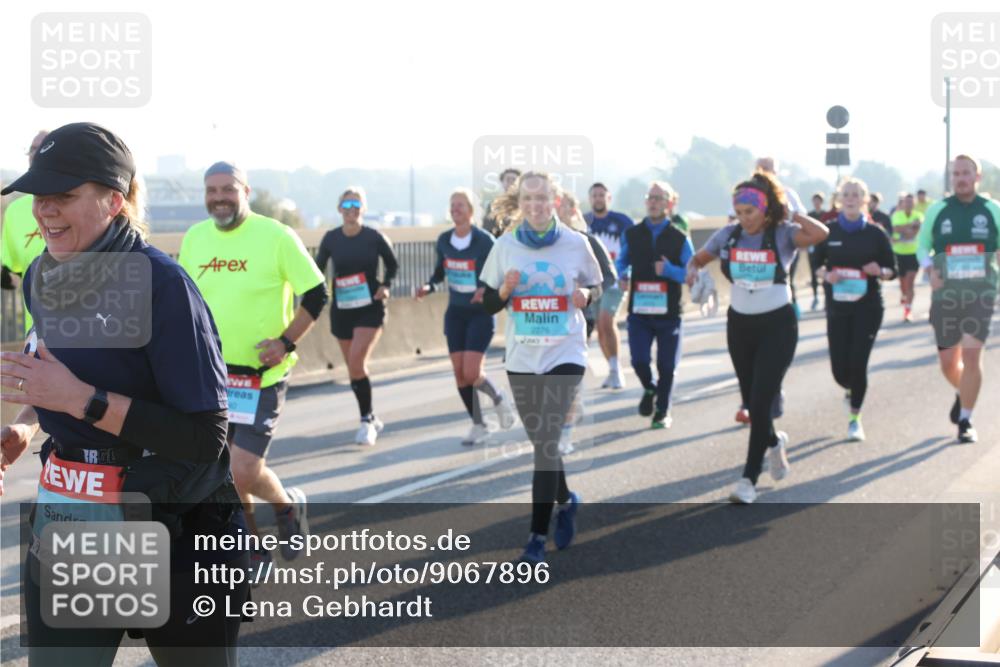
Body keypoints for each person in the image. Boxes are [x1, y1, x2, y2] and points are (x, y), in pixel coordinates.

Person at [0, 122, 250, 665]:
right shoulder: (43, 276)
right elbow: (56, 378)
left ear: (114, 201)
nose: (45, 211)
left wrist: (80, 401)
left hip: (177, 528)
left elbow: (206, 437)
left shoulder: (163, 286)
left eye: (63, 196)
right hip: (72, 523)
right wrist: (24, 425)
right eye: (40, 197)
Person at [179, 161, 326, 573]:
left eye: (228, 189)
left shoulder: (276, 235)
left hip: (262, 376)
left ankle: (286, 507)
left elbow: (316, 293)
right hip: (213, 373)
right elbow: (186, 302)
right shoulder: (194, 238)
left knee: (241, 469)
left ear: (245, 190)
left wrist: (285, 342)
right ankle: (252, 548)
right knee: (227, 469)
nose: (219, 198)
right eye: (211, 190)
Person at [480, 171, 602, 562]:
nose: (534, 206)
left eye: (541, 198)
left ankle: (535, 537)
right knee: (544, 446)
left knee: (546, 444)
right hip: (522, 356)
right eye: (527, 199)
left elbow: (598, 285)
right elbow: (487, 304)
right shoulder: (505, 246)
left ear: (555, 201)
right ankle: (567, 500)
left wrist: (586, 294)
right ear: (519, 203)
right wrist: (504, 292)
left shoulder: (575, 243)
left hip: (565, 352)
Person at [687, 170, 828, 503]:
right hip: (740, 326)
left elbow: (821, 233)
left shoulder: (784, 234)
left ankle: (748, 480)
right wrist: (693, 273)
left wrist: (791, 213)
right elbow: (697, 259)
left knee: (761, 400)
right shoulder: (728, 235)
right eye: (739, 211)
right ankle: (774, 443)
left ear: (765, 209)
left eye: (750, 211)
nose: (744, 218)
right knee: (752, 400)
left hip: (778, 325)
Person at [415, 188, 515, 446]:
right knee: (459, 374)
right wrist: (428, 286)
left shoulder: (484, 241)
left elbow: (502, 274)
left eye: (460, 205)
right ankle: (479, 425)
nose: (455, 209)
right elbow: (440, 272)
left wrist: (487, 289)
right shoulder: (444, 240)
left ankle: (498, 397)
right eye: (452, 205)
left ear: (471, 211)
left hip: (480, 314)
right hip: (456, 312)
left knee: (472, 372)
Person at [917, 155, 1000, 443]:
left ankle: (965, 419)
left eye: (967, 173)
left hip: (981, 294)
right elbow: (922, 247)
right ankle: (962, 390)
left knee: (972, 355)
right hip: (946, 296)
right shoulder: (938, 210)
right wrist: (929, 270)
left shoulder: (992, 210)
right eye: (956, 174)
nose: (961, 178)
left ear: (977, 177)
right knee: (948, 361)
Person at [812, 178, 897, 441]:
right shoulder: (828, 231)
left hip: (868, 307)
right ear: (839, 198)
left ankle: (854, 418)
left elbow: (892, 269)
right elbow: (816, 264)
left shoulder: (875, 233)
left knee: (858, 363)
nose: (850, 198)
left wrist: (879, 271)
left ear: (865, 199)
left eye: (856, 194)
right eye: (846, 194)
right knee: (840, 370)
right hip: (838, 307)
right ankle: (850, 389)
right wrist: (826, 274)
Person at [315, 187, 399, 445]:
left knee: (356, 362)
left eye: (357, 204)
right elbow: (317, 269)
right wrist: (318, 294)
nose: (351, 209)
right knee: (353, 369)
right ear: (339, 209)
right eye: (347, 204)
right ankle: (370, 416)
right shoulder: (331, 239)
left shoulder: (374, 237)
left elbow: (393, 265)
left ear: (363, 209)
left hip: (370, 307)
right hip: (343, 310)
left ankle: (365, 422)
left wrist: (386, 285)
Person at [616, 181, 693, 429]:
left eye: (660, 198)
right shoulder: (632, 234)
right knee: (638, 361)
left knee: (667, 366)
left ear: (670, 204)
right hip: (639, 311)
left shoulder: (680, 238)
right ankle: (650, 388)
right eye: (650, 197)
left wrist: (669, 270)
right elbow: (621, 262)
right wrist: (623, 275)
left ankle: (662, 411)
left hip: (669, 312)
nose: (654, 202)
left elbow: (691, 274)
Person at [555, 188, 617, 453]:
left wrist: (587, 291)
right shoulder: (537, 243)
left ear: (572, 210)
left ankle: (565, 436)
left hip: (581, 316)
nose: (556, 209)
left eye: (563, 205)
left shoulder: (585, 241)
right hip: (547, 319)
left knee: (567, 376)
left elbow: (608, 277)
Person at [583, 182, 635, 389]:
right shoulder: (584, 222)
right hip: (592, 283)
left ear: (609, 198)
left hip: (616, 280)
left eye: (602, 195)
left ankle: (615, 370)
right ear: (590, 198)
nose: (598, 199)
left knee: (606, 321)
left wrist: (628, 274)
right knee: (599, 328)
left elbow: (633, 248)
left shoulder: (622, 222)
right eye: (594, 195)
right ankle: (612, 368)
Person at [1, 130, 50, 333]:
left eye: (44, 148)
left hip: (88, 335)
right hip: (36, 336)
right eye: (32, 149)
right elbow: (11, 273)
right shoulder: (15, 211)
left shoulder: (83, 204)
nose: (35, 154)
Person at [756, 157, 806, 319]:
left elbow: (801, 218)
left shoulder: (788, 194)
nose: (764, 172)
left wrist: (787, 214)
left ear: (775, 172)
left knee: (783, 278)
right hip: (756, 245)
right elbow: (733, 218)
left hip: (784, 243)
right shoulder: (747, 193)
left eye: (767, 169)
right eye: (760, 168)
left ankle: (790, 311)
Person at [890, 192, 922, 322]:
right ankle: (904, 295)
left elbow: (914, 233)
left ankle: (908, 311)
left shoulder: (918, 215)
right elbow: (897, 229)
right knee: (903, 283)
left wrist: (906, 230)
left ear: (914, 203)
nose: (909, 204)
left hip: (914, 253)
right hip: (899, 253)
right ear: (902, 204)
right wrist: (910, 227)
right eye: (906, 202)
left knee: (910, 282)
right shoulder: (897, 215)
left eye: (911, 202)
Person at [482, 168, 521, 237]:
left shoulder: (525, 204)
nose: (511, 182)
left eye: (514, 179)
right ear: (502, 182)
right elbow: (487, 228)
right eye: (508, 179)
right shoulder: (493, 205)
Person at [805, 192, 827, 310]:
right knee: (813, 272)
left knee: (824, 272)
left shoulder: (825, 214)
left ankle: (825, 298)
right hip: (812, 246)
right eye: (814, 200)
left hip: (824, 247)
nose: (816, 203)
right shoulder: (809, 215)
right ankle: (815, 297)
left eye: (818, 200)